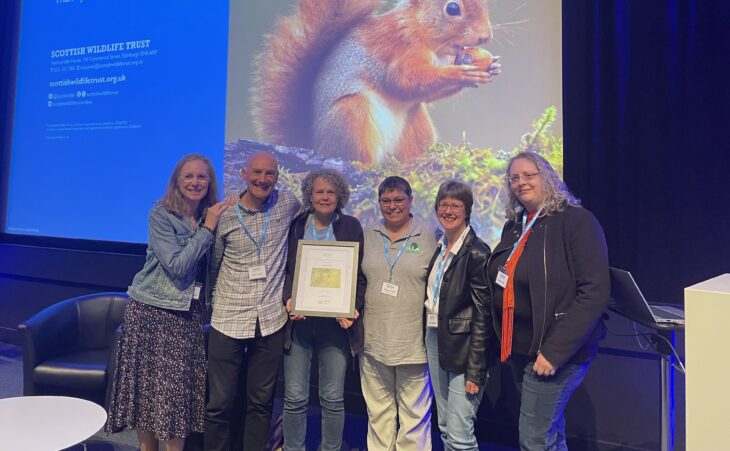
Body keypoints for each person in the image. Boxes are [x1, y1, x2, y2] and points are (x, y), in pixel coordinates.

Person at [106, 154, 233, 451]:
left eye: (202, 177)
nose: (195, 182)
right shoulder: (162, 214)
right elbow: (177, 265)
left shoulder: (208, 215)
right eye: (188, 176)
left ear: (210, 182)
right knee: (147, 395)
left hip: (187, 318)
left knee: (174, 400)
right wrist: (207, 230)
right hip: (151, 311)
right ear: (177, 181)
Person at [487, 152, 609, 450]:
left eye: (529, 175)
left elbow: (594, 291)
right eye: (514, 178)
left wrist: (554, 352)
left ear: (548, 177)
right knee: (549, 436)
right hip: (521, 350)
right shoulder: (516, 225)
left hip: (555, 353)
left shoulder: (577, 221)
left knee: (533, 439)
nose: (520, 182)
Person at [204, 151, 301, 451]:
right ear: (244, 174)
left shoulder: (288, 205)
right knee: (219, 403)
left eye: (269, 174)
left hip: (270, 319)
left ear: (277, 177)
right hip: (228, 317)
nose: (263, 179)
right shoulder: (225, 215)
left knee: (260, 403)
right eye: (257, 173)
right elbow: (214, 265)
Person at [281, 168, 366, 451]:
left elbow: (359, 276)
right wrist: (288, 299)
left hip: (336, 325)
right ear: (309, 194)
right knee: (294, 397)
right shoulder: (296, 225)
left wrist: (353, 307)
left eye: (331, 192)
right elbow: (286, 270)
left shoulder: (352, 226)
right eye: (319, 191)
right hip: (300, 322)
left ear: (340, 195)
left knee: (332, 397)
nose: (325, 197)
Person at [359, 176, 437, 450]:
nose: (392, 206)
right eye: (386, 201)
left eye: (399, 200)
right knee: (378, 414)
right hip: (373, 343)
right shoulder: (367, 234)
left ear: (410, 200)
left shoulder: (430, 234)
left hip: (414, 345)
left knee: (415, 418)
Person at [425, 180, 492, 451]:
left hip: (465, 348)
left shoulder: (477, 252)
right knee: (445, 426)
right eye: (443, 204)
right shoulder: (440, 247)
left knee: (460, 433)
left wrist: (475, 370)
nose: (448, 210)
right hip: (435, 337)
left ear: (467, 210)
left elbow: (483, 316)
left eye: (456, 205)